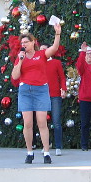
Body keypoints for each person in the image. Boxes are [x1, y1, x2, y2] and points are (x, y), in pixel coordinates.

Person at [11, 22, 62, 164]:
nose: (24, 44)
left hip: (41, 90)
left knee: (42, 122)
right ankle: (29, 152)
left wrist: (57, 33)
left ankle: (46, 152)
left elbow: (54, 48)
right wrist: (20, 60)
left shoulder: (41, 54)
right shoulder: (20, 57)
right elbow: (15, 76)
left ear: (33, 42)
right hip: (25, 90)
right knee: (27, 123)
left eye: (26, 42)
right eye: (22, 43)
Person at [40, 45, 66, 155]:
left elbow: (62, 77)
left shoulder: (56, 63)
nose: (42, 51)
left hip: (55, 95)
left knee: (56, 121)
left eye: (44, 49)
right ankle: (46, 144)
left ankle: (58, 146)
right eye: (40, 50)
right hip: (41, 96)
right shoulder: (38, 63)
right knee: (43, 122)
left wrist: (63, 89)